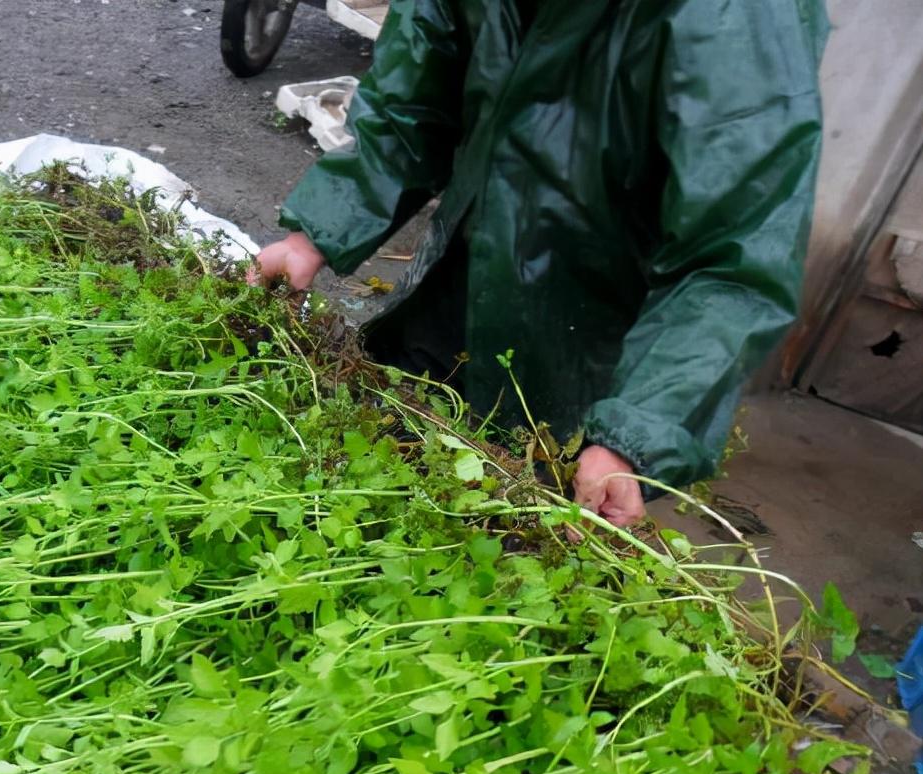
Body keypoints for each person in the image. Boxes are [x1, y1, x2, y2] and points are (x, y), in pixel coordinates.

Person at [252, 0, 827, 527]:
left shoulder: (740, 16)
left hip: (592, 351)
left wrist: (631, 433)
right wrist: (316, 234)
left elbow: (733, 259)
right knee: (361, 485)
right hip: (457, 284)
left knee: (514, 536)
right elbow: (412, 102)